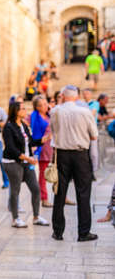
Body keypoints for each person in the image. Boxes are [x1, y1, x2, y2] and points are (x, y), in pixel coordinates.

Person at [50, 85, 99, 242]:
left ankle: (58, 231)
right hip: (80, 155)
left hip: (62, 154)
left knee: (60, 192)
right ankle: (83, 232)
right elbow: (94, 136)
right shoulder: (85, 112)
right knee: (83, 193)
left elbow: (53, 130)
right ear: (77, 97)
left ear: (63, 95)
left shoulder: (55, 111)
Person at [2, 101, 50, 228]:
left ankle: (36, 217)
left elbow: (31, 142)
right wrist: (28, 159)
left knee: (35, 189)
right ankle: (15, 219)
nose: (25, 111)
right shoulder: (8, 127)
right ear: (16, 111)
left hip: (26, 162)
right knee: (15, 190)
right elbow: (11, 148)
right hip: (13, 162)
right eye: (22, 109)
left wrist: (44, 139)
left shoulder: (23, 125)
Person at [30, 95, 54, 207]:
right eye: (41, 105)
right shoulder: (34, 117)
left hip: (52, 147)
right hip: (41, 147)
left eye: (45, 104)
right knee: (43, 174)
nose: (44, 106)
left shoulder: (50, 115)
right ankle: (44, 198)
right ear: (37, 107)